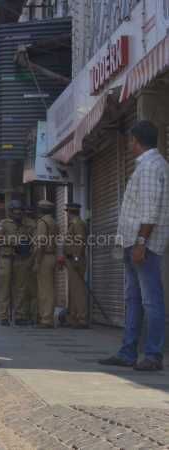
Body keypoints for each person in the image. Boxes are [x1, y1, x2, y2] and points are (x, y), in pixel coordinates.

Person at [99, 120, 168, 372]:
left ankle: (153, 355)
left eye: (129, 140)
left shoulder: (150, 167)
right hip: (133, 243)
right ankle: (128, 352)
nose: (128, 145)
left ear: (136, 141)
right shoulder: (150, 165)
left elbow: (150, 211)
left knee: (151, 301)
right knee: (133, 299)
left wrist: (141, 243)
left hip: (143, 246)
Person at [0, 200, 23, 326]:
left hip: (19, 259)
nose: (18, 213)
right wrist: (13, 241)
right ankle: (4, 316)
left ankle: (19, 315)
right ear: (10, 212)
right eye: (15, 211)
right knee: (4, 288)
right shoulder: (3, 223)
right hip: (6, 258)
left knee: (19, 288)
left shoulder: (23, 224)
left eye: (19, 211)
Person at [59, 202, 88, 328]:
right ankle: (73, 318)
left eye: (68, 212)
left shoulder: (77, 224)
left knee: (78, 290)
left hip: (76, 260)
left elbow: (80, 242)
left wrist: (76, 259)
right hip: (72, 260)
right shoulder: (75, 224)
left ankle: (82, 319)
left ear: (69, 213)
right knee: (73, 290)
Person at [33, 200, 58, 328]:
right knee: (50, 288)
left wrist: (37, 261)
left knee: (45, 290)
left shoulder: (43, 222)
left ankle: (46, 319)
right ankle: (46, 317)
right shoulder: (54, 222)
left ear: (41, 210)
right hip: (52, 256)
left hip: (44, 257)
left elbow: (41, 243)